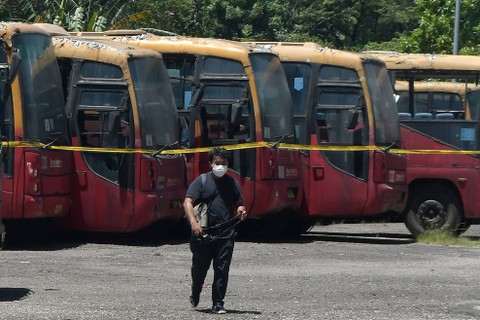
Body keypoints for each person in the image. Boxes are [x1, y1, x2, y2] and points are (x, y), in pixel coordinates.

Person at [183, 147, 247, 314]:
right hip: (202, 235)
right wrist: (193, 223)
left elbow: (240, 203)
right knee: (200, 270)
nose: (220, 166)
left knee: (222, 270)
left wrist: (241, 210)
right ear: (211, 163)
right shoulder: (202, 181)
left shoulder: (232, 183)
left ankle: (218, 303)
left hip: (225, 235)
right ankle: (195, 291)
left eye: (224, 163)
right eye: (217, 163)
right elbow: (188, 202)